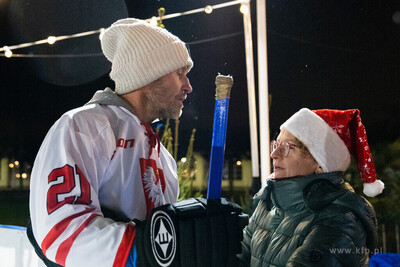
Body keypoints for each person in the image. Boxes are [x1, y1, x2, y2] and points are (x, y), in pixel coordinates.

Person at [27, 18, 247, 267]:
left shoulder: (164, 158)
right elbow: (62, 231)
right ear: (148, 75)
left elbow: (165, 244)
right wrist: (146, 251)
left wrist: (194, 242)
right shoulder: (83, 127)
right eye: (179, 73)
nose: (188, 86)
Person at [238, 108, 385, 266]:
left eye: (289, 147)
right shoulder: (268, 203)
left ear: (320, 164)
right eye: (276, 145)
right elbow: (238, 258)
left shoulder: (340, 220)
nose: (274, 154)